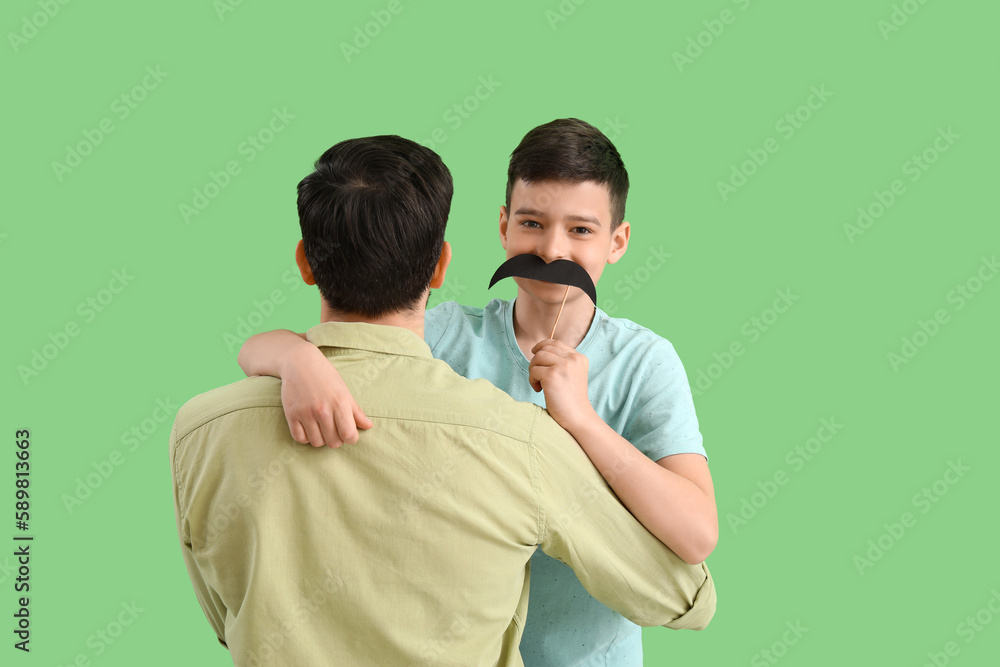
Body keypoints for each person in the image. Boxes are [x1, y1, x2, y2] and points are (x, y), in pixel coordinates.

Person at [170, 134, 716, 667]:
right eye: (532, 223)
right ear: (494, 232)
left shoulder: (644, 363)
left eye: (580, 229)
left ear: (618, 241)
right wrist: (296, 358)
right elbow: (366, 343)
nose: (552, 249)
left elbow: (695, 536)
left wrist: (582, 423)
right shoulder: (443, 336)